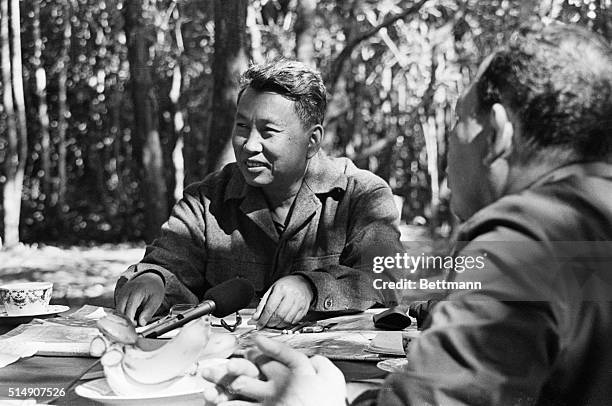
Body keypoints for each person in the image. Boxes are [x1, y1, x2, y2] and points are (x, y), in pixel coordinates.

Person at [201, 23, 612, 405]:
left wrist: (318, 398)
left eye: (458, 121)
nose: (452, 142)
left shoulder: (524, 243)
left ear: (499, 133)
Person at [114, 59, 405, 329]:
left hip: (328, 369)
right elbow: (166, 263)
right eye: (242, 127)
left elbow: (384, 280)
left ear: (312, 141)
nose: (249, 144)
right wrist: (152, 279)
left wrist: (311, 288)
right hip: (220, 365)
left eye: (268, 131)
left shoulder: (362, 196)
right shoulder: (206, 200)